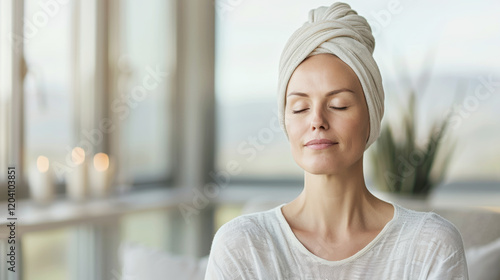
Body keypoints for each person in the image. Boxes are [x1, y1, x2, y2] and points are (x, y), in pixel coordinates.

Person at [204, 2, 468, 279]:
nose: (317, 119)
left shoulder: (430, 245)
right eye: (300, 108)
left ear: (372, 116)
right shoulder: (243, 246)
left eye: (339, 105)